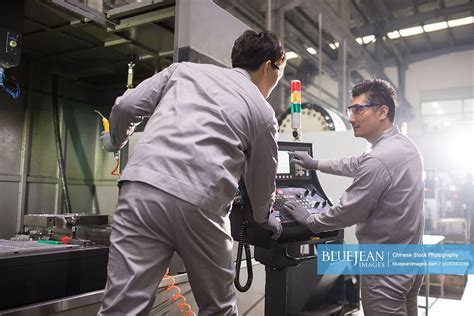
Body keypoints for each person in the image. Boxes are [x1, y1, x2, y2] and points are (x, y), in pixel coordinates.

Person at [97, 30, 286, 315]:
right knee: (218, 307)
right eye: (280, 71)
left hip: (141, 188)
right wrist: (263, 217)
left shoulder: (183, 71)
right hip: (201, 201)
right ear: (268, 66)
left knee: (122, 307)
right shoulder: (262, 111)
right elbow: (262, 179)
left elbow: (126, 105)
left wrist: (116, 140)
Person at [284, 79, 425, 316]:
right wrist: (315, 163)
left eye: (358, 109)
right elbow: (357, 163)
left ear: (383, 111)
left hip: (384, 270)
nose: (351, 118)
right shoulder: (404, 146)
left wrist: (309, 219)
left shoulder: (379, 159)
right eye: (351, 110)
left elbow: (347, 211)